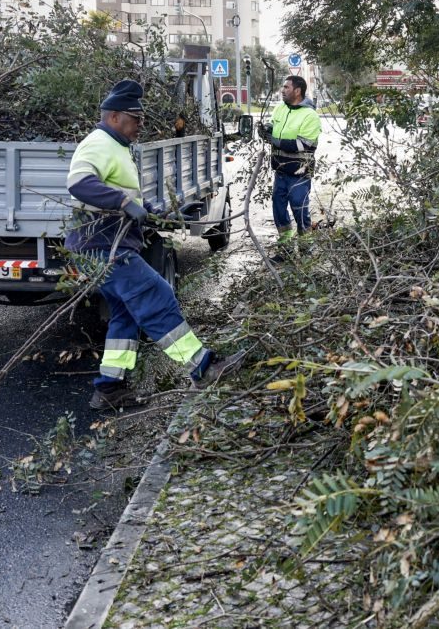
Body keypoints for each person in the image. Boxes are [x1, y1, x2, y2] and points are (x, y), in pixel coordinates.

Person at [66, 79, 245, 411]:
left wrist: (149, 211)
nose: (140, 126)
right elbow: (79, 182)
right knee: (156, 294)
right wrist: (123, 203)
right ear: (116, 117)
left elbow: (122, 194)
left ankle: (109, 387)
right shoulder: (98, 142)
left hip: (105, 243)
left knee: (125, 314)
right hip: (102, 244)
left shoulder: (116, 146)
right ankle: (203, 367)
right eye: (136, 120)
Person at [259, 75, 322, 262]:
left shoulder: (310, 116)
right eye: (282, 87)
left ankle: (305, 249)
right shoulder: (280, 108)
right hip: (281, 171)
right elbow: (274, 127)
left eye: (286, 87)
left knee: (299, 208)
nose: (282, 90)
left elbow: (303, 144)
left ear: (297, 91)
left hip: (299, 172)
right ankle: (285, 250)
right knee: (279, 210)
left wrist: (276, 141)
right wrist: (266, 130)